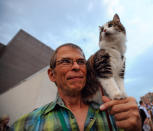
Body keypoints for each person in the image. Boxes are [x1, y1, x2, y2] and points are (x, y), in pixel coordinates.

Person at [11, 43, 141, 131]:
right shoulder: (28, 124)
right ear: (52, 75)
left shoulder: (114, 115)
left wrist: (136, 128)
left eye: (80, 62)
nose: (76, 66)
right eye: (66, 61)